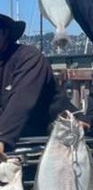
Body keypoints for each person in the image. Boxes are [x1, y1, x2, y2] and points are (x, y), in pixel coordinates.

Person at [0, 12, 70, 154]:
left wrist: (2, 138)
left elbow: (21, 101)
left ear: (5, 33)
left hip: (46, 149)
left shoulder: (28, 57)